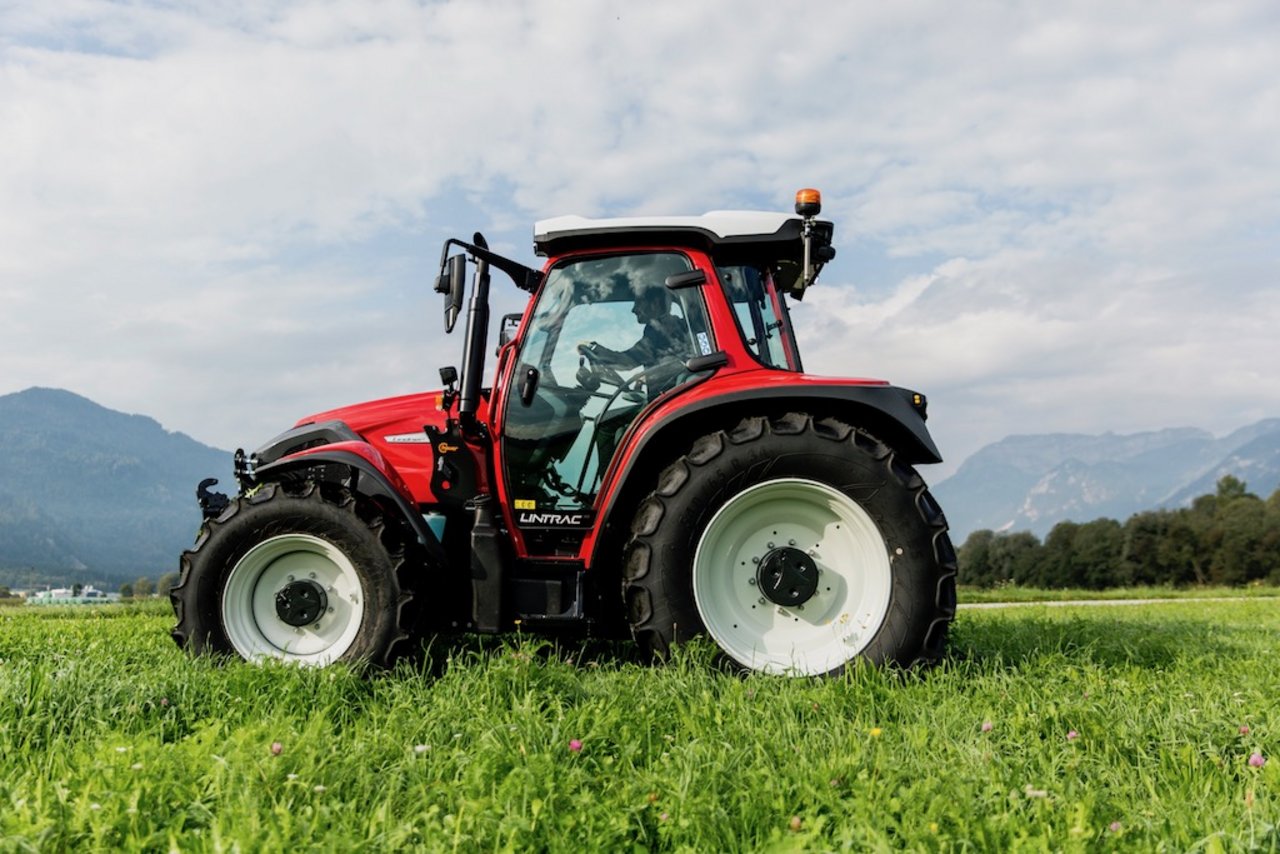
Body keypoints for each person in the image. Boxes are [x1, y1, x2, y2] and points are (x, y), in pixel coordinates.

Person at [577, 286, 688, 371]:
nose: (634, 309)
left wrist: (595, 349)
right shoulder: (678, 326)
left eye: (639, 302)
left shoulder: (657, 331)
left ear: (655, 303)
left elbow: (629, 360)